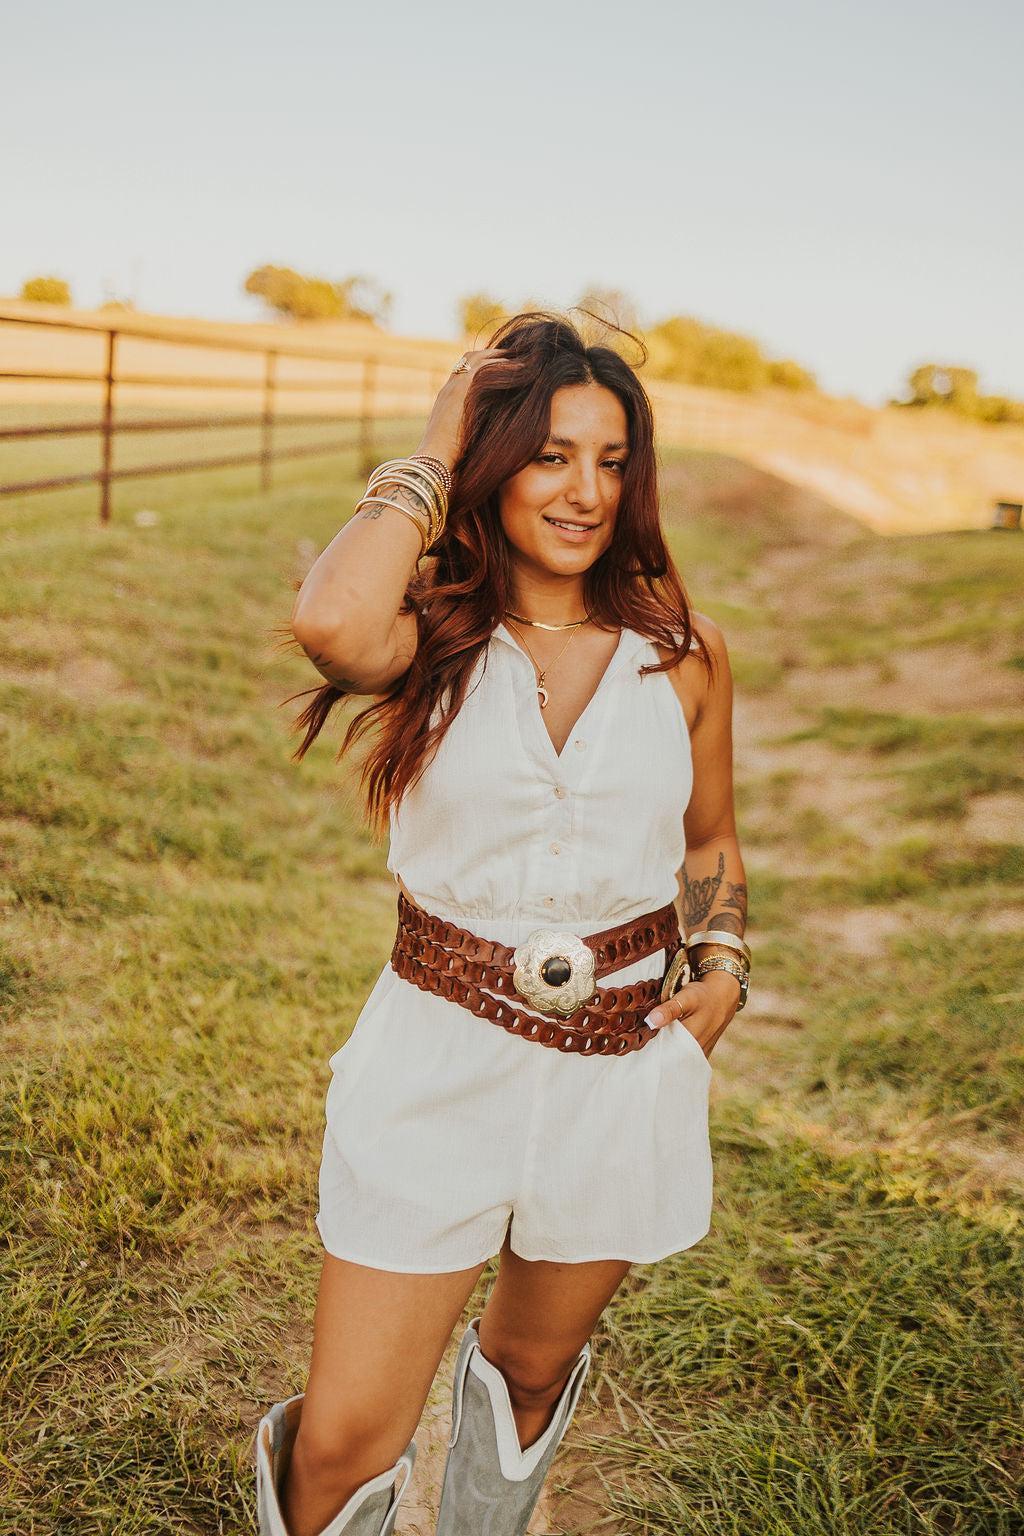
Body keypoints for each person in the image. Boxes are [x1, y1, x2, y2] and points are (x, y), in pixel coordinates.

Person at [254, 311, 750, 1536]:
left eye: (612, 461)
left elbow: (708, 840)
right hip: (436, 1060)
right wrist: (435, 444)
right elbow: (330, 626)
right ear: (492, 462)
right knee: (344, 1441)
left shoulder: (681, 656)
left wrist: (724, 961)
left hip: (620, 1066)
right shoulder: (426, 634)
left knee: (529, 1373)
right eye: (549, 455)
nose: (586, 492)